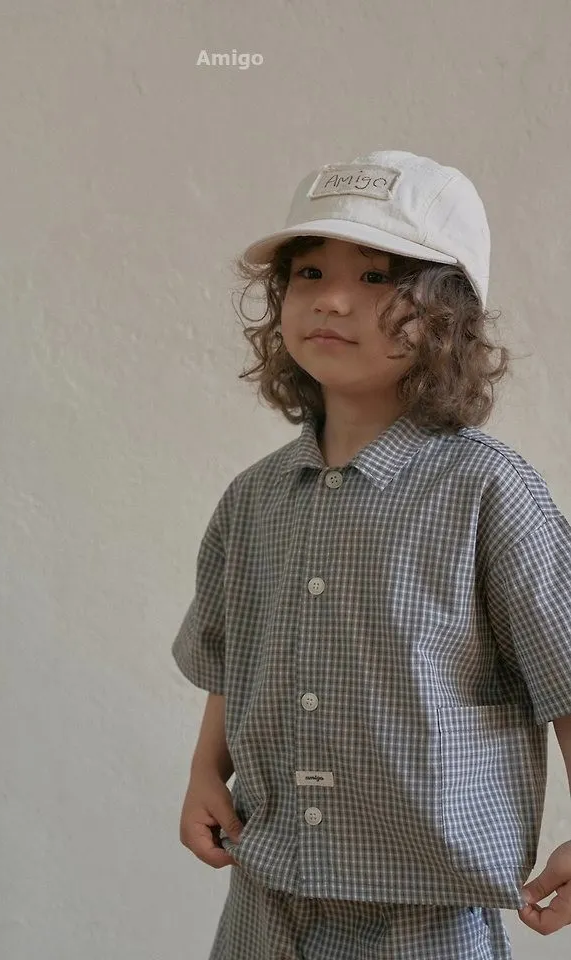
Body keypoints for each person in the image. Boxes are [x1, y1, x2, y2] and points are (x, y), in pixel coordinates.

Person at [171, 149, 571, 959]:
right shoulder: (253, 499)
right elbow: (232, 654)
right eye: (309, 273)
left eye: (379, 277)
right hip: (266, 893)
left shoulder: (486, 491)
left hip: (425, 906)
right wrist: (205, 771)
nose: (333, 299)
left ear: (449, 317)